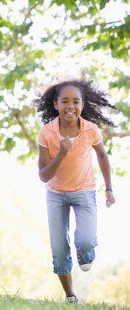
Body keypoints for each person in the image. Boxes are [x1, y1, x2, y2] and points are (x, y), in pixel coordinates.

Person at [35, 79, 116, 304]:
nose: (70, 106)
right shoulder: (47, 133)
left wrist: (109, 188)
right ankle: (70, 295)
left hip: (84, 191)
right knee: (59, 248)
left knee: (87, 243)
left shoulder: (91, 130)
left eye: (76, 101)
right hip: (55, 194)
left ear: (82, 105)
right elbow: (43, 176)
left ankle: (85, 253)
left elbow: (101, 156)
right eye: (65, 101)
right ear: (55, 104)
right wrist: (61, 153)